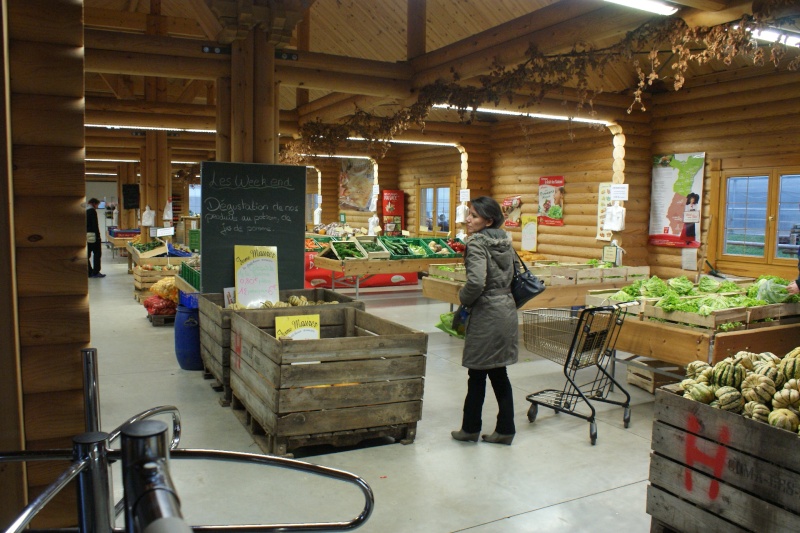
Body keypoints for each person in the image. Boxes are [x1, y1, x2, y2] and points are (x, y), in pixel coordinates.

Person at [451, 196, 519, 445]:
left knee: (477, 373)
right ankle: (506, 429)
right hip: (506, 310)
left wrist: (463, 298)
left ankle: (470, 429)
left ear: (488, 220)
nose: (468, 219)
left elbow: (477, 282)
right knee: (499, 372)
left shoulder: (477, 243)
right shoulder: (505, 241)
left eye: (474, 216)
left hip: (487, 313)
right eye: (469, 214)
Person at [86, 198, 105, 278]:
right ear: (94, 203)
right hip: (93, 236)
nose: (97, 206)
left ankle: (89, 271)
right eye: (97, 204)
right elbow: (95, 225)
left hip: (86, 235)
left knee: (87, 254)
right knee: (97, 253)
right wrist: (98, 236)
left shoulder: (85, 210)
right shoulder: (92, 211)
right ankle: (96, 272)